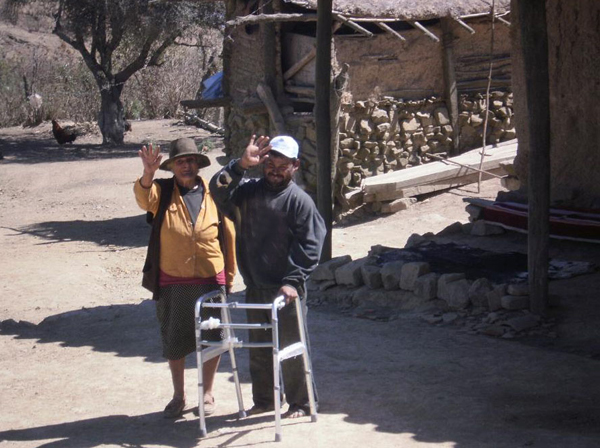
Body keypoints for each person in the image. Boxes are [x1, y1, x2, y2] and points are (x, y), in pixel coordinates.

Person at [209, 135, 326, 419]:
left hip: (286, 290)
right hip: (256, 286)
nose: (274, 169)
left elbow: (311, 245)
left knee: (292, 348)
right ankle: (265, 400)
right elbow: (217, 190)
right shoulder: (247, 192)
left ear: (295, 165)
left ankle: (302, 403)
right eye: (269, 162)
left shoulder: (300, 201)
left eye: (282, 164)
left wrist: (293, 281)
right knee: (259, 348)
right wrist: (240, 166)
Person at [134, 138, 236, 418]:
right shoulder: (162, 191)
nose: (186, 166)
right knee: (174, 336)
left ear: (198, 164)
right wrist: (148, 173)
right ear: (172, 167)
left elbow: (228, 234)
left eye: (190, 160)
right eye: (180, 161)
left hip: (209, 276)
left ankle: (207, 392)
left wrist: (228, 276)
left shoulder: (213, 193)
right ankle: (179, 395)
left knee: (213, 335)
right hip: (173, 276)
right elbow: (144, 198)